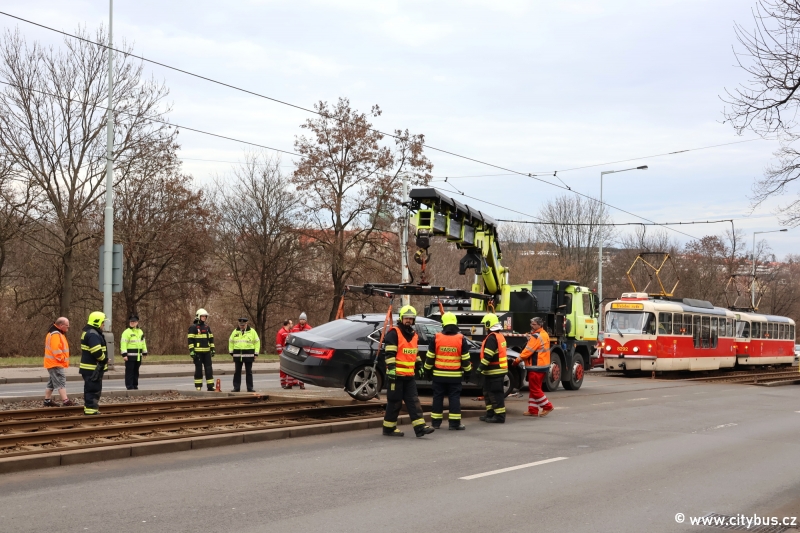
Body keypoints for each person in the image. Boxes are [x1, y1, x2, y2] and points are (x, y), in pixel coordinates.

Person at [382, 305, 435, 438]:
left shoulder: (414, 335)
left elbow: (414, 353)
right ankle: (388, 429)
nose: (409, 321)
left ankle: (420, 428)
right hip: (396, 376)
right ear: (401, 318)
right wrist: (392, 369)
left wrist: (420, 365)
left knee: (413, 401)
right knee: (395, 403)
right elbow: (389, 354)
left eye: (411, 319)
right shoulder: (394, 333)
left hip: (409, 376)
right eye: (406, 318)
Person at [423, 312, 472, 430]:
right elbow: (465, 359)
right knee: (454, 398)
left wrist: (427, 371)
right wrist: (468, 372)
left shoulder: (437, 337)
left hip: (438, 375)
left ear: (443, 323)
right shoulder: (461, 338)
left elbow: (430, 357)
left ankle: (435, 423)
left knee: (437, 398)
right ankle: (454, 424)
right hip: (455, 376)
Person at [516, 316, 554, 417]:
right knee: (534, 388)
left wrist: (517, 360)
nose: (531, 326)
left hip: (535, 366)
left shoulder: (536, 336)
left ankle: (547, 406)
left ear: (540, 325)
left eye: (534, 324)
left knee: (535, 389)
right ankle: (533, 410)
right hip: (542, 366)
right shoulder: (544, 334)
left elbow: (527, 351)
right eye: (531, 324)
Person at [477, 313, 507, 424]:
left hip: (495, 371)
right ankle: (490, 413)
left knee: (495, 394)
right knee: (488, 393)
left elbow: (488, 356)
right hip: (494, 371)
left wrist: (480, 368)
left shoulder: (492, 338)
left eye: (485, 325)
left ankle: (499, 416)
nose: (485, 327)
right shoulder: (498, 336)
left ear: (489, 324)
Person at [79, 312, 108, 415]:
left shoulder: (90, 332)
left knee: (91, 388)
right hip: (92, 368)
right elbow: (96, 351)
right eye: (102, 322)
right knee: (93, 389)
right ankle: (91, 411)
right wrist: (104, 359)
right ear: (97, 322)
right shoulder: (93, 334)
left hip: (90, 367)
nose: (103, 325)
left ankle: (90, 409)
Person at [43, 317, 75, 407]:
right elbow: (56, 349)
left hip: (53, 363)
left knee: (52, 383)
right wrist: (62, 359)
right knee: (61, 381)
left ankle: (47, 400)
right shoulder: (56, 334)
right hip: (55, 363)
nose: (68, 328)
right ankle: (65, 401)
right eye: (67, 326)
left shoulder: (55, 333)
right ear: (61, 325)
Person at [229, 316, 260, 392]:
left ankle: (250, 388)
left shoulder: (252, 331)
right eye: (240, 325)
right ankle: (236, 388)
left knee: (249, 372)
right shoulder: (235, 332)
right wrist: (231, 352)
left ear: (246, 323)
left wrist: (256, 353)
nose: (241, 326)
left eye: (243, 325)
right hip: (237, 355)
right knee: (237, 372)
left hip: (249, 355)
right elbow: (231, 341)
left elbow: (257, 342)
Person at [188, 308, 215, 391]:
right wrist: (192, 351)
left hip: (207, 353)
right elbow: (190, 340)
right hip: (197, 353)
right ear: (198, 317)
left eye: (205, 316)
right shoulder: (193, 327)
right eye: (202, 316)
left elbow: (211, 339)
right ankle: (198, 386)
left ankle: (210, 386)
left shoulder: (207, 327)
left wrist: (212, 349)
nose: (204, 318)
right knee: (199, 370)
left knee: (209, 369)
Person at [120, 314, 148, 390]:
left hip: (138, 356)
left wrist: (144, 352)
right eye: (131, 321)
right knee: (130, 372)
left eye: (134, 321)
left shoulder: (140, 331)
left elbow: (143, 342)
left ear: (137, 322)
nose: (132, 323)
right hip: (129, 356)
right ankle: (129, 386)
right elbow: (123, 344)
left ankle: (135, 385)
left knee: (136, 371)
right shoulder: (126, 332)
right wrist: (124, 355)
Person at [288, 313, 312, 390]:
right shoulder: (295, 328)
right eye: (301, 319)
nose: (302, 321)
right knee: (291, 366)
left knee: (301, 367)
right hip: (294, 348)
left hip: (303, 349)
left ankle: (301, 384)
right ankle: (290, 383)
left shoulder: (309, 328)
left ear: (306, 320)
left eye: (303, 319)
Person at [276, 319, 295, 389]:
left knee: (291, 368)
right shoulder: (281, 332)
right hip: (284, 353)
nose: (292, 325)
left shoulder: (290, 332)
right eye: (291, 323)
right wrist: (280, 353)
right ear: (288, 324)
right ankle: (283, 383)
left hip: (290, 353)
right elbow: (278, 344)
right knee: (283, 369)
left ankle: (291, 383)